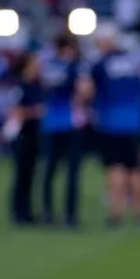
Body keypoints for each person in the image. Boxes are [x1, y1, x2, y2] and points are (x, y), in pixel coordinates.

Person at [83, 25, 140, 227]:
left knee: (115, 168)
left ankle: (116, 213)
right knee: (136, 169)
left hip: (110, 123)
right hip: (135, 122)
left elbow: (87, 91)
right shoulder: (133, 62)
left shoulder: (99, 64)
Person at [40, 34, 86, 228]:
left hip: (50, 122)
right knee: (72, 172)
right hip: (70, 122)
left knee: (50, 170)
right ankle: (70, 215)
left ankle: (48, 212)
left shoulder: (47, 66)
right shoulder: (75, 67)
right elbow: (83, 92)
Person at [8, 51, 43, 226]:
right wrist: (35, 112)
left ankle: (27, 211)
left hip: (35, 134)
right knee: (22, 174)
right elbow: (15, 112)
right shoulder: (20, 87)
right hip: (22, 134)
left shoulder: (37, 85)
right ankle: (19, 212)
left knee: (30, 174)